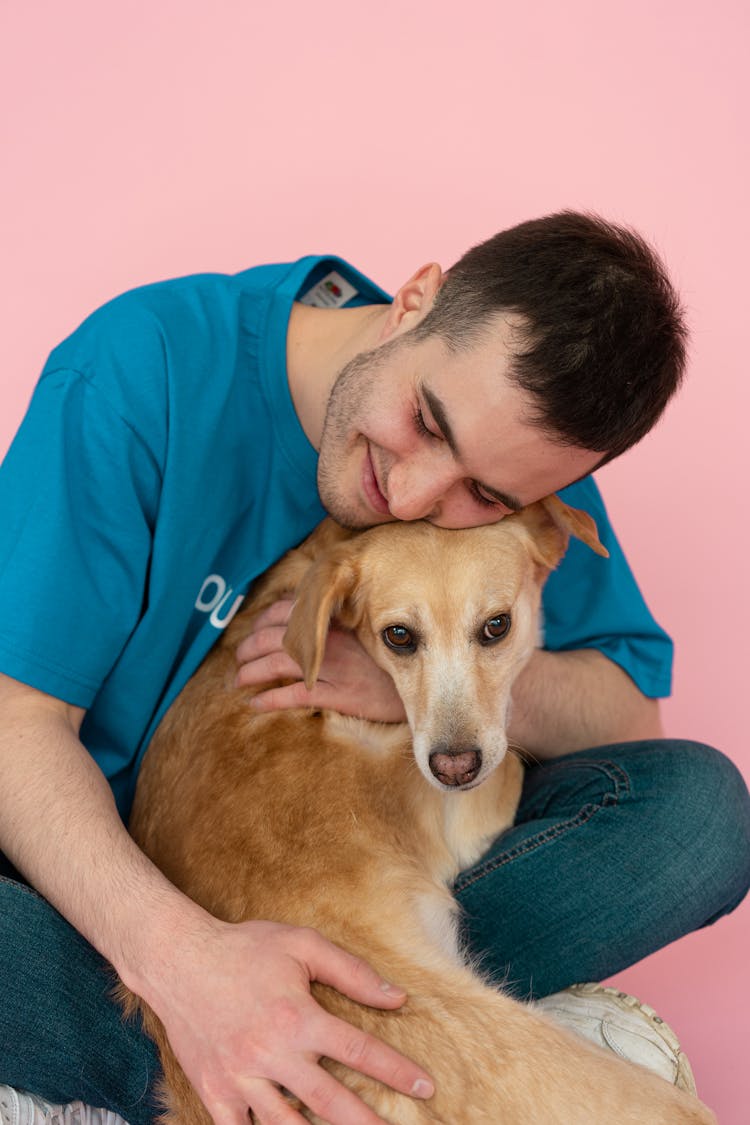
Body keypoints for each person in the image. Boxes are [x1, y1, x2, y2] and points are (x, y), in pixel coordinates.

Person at [0, 212, 747, 1125]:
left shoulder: (526, 453)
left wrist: (420, 685)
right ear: (416, 301)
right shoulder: (137, 369)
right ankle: (278, 1055)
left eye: (484, 495)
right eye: (425, 422)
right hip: (83, 899)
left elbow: (632, 723)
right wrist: (185, 961)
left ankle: (317, 1047)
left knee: (699, 814)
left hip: (352, 883)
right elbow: (13, 727)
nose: (417, 495)